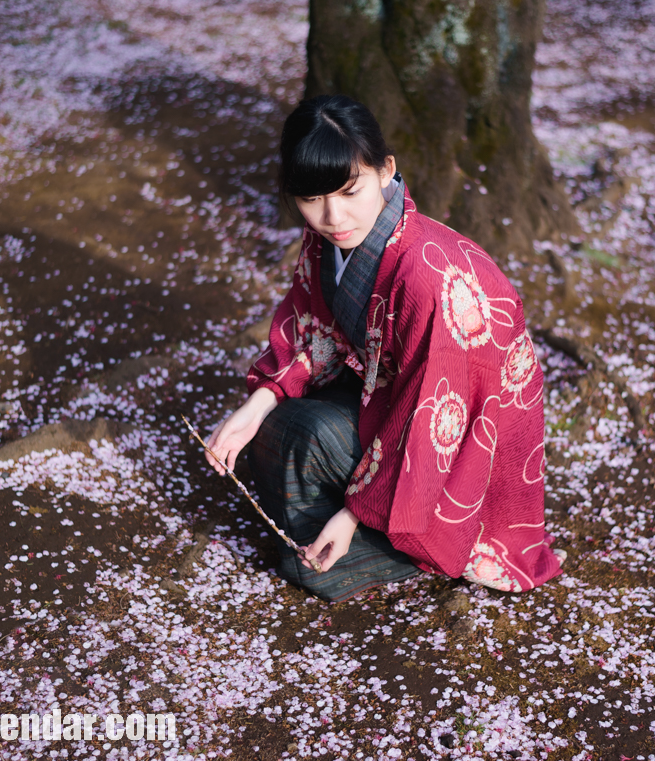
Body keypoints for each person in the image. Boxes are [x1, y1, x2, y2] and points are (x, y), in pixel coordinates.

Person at [205, 94, 563, 601]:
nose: (333, 215)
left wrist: (353, 516)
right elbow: (316, 330)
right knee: (273, 429)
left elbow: (431, 416)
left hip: (461, 443)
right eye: (311, 199)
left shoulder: (426, 274)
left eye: (350, 191)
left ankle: (389, 540)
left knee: (299, 441)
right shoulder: (334, 238)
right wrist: (258, 401)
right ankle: (339, 525)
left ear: (386, 170)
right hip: (394, 396)